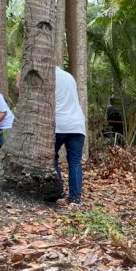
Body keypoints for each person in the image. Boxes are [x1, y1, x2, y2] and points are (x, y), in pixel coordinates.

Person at [54, 67, 86, 206]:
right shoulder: (69, 76)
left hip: (59, 124)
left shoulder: (48, 76)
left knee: (50, 158)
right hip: (77, 125)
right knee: (75, 162)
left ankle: (59, 193)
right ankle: (75, 199)